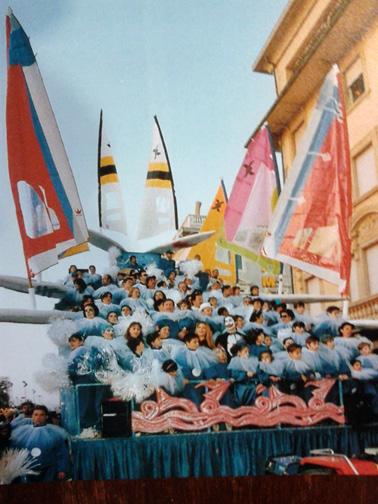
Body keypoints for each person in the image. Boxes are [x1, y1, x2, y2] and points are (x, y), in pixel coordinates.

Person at [10, 405, 69, 482]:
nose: (38, 417)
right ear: (32, 416)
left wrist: (62, 469)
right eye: (36, 414)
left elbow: (61, 452)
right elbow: (14, 452)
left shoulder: (55, 433)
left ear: (46, 417)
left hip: (49, 470)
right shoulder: (21, 433)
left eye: (42, 415)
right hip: (26, 471)